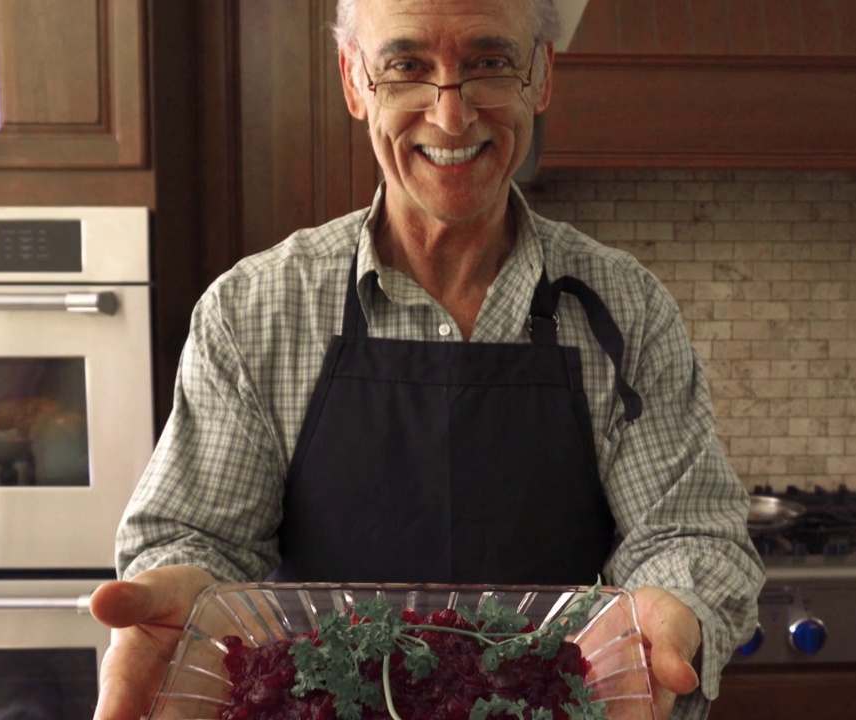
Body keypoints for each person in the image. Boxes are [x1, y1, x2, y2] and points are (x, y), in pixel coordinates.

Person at [89, 1, 765, 718]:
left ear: (540, 76)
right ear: (354, 82)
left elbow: (685, 533)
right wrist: (188, 601)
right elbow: (201, 539)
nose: (450, 117)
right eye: (407, 67)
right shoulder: (255, 313)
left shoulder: (627, 313)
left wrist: (670, 611)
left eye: (489, 64)